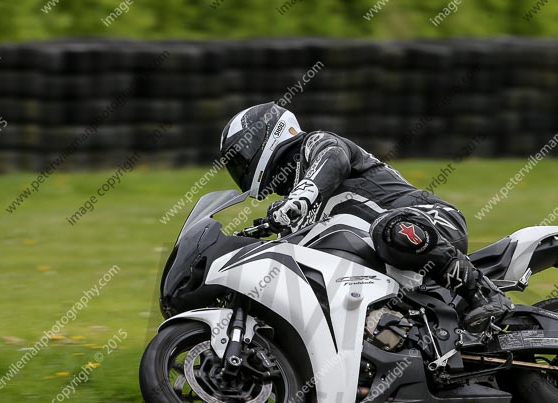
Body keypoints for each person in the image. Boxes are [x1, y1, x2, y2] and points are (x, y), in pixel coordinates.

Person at [219, 102, 512, 332]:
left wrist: (300, 197)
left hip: (430, 221)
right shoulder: (295, 215)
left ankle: (484, 293)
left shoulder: (316, 145)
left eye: (241, 157)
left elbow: (334, 159)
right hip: (392, 268)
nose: (241, 167)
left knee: (389, 229)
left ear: (265, 136)